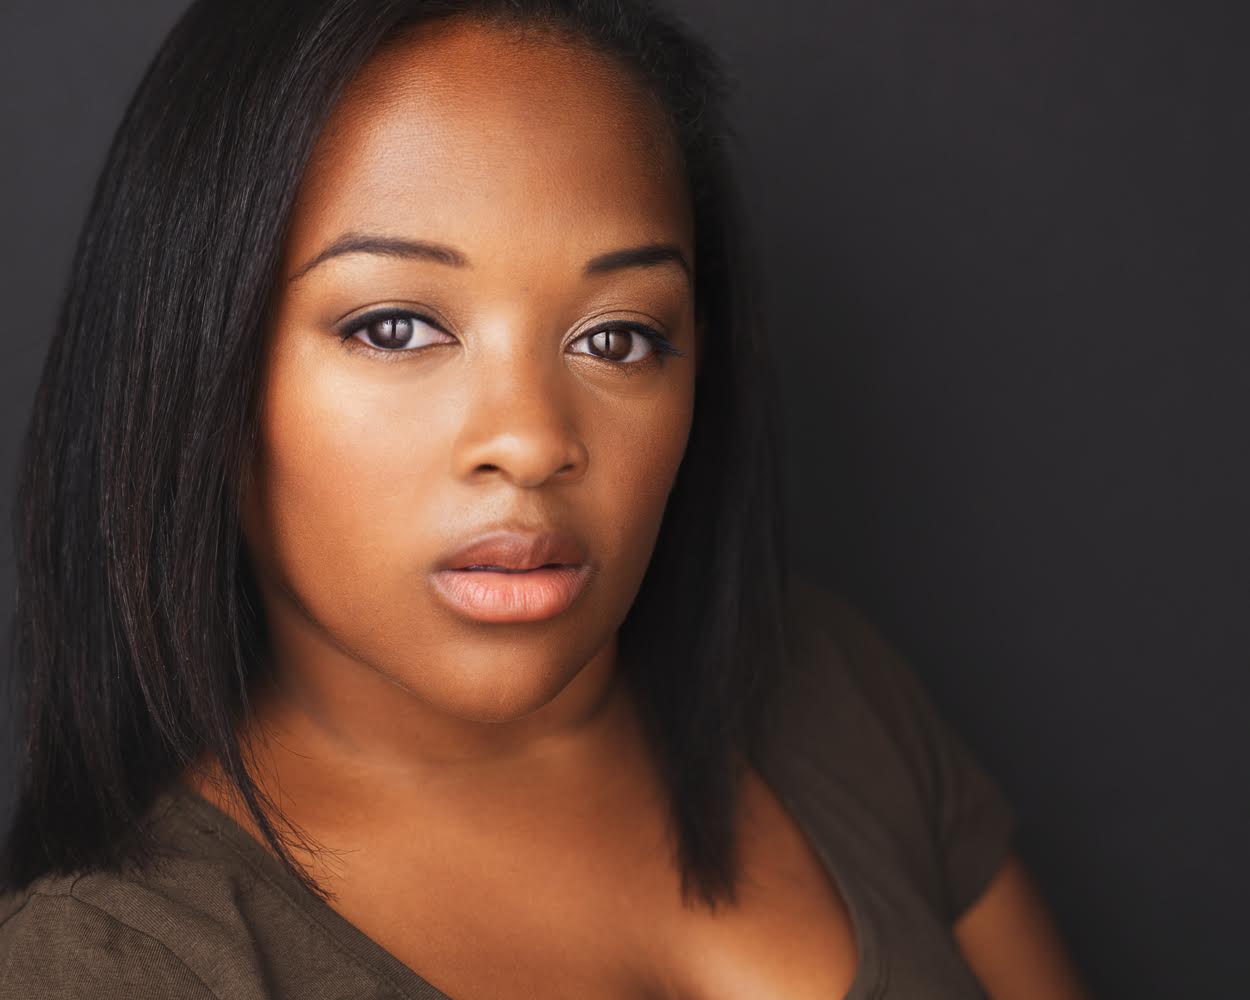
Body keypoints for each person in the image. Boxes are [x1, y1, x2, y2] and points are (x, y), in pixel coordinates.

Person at [0, 1, 1091, 996]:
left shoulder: (825, 689)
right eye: (394, 326)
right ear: (197, 363)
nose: (530, 440)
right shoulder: (124, 962)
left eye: (616, 337)